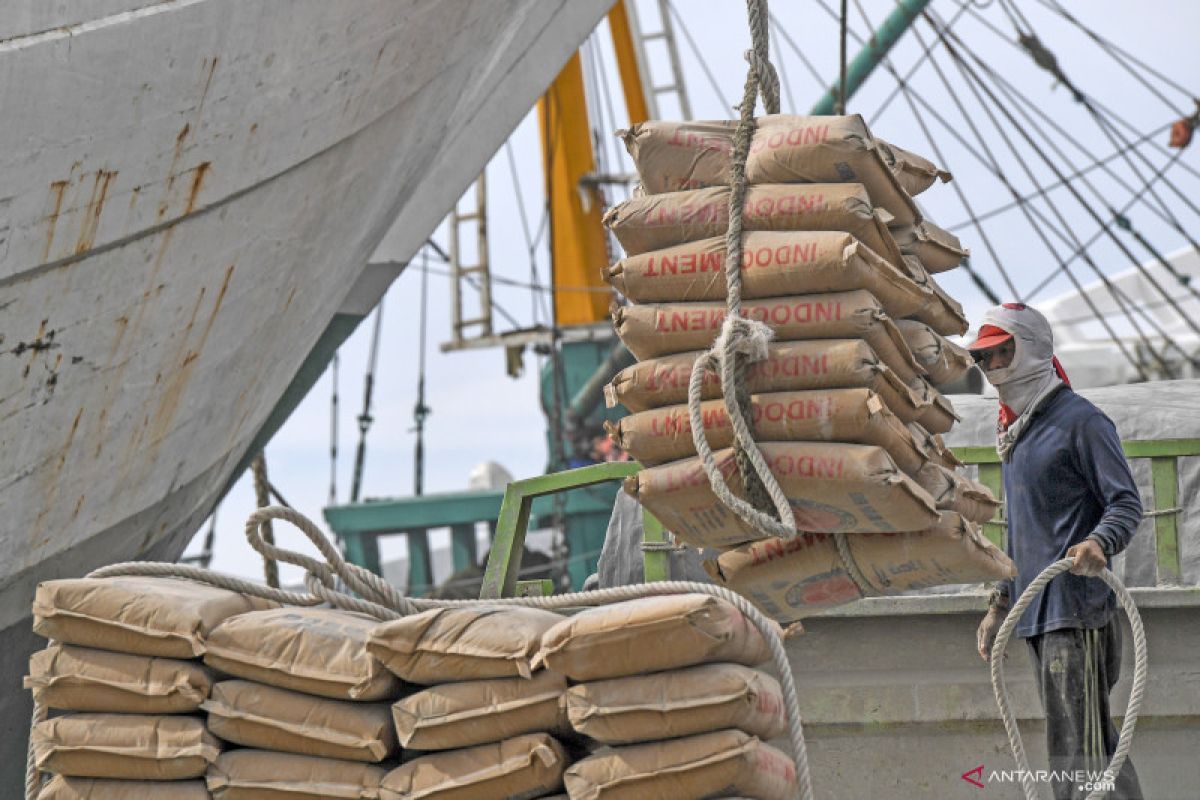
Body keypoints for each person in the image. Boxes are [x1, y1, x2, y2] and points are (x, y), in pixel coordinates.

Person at [969, 303, 1143, 800]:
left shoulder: (1080, 421)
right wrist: (1000, 603)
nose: (994, 368)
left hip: (1076, 613)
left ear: (1033, 351)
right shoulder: (1016, 433)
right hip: (1038, 612)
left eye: (1003, 353)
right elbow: (1020, 531)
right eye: (985, 359)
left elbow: (1125, 503)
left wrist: (1098, 542)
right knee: (1091, 748)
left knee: (1078, 752)